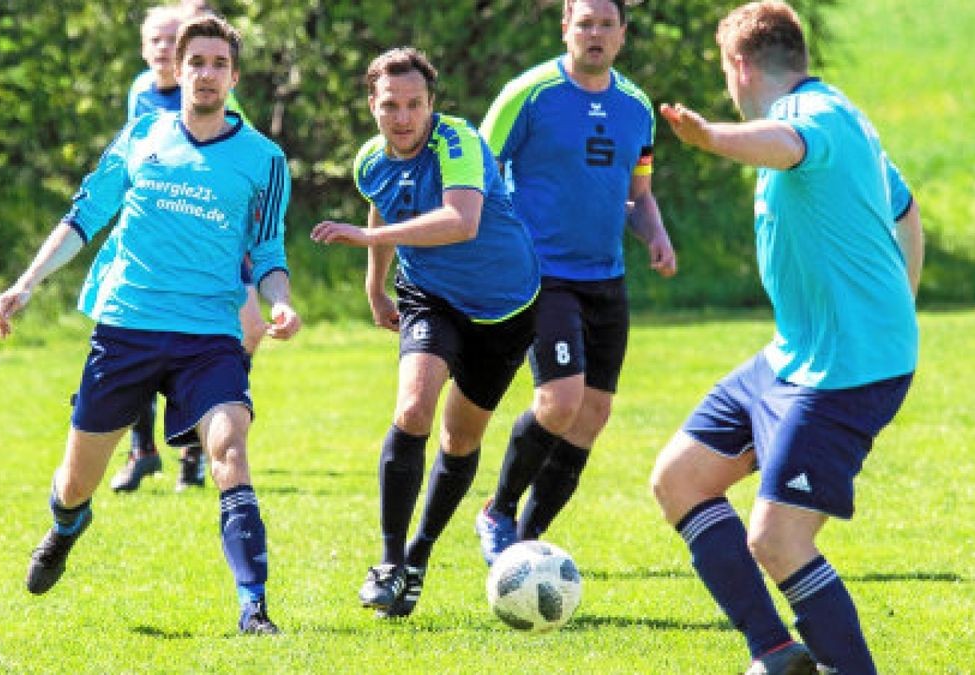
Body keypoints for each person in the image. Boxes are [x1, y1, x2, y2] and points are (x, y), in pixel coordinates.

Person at [0, 15, 299, 635]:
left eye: (218, 64)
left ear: (233, 77)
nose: (206, 74)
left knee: (229, 451)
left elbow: (267, 255)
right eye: (196, 63)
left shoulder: (264, 160)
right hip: (126, 327)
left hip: (209, 337)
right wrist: (24, 284)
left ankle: (253, 607)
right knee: (77, 482)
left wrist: (280, 300)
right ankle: (67, 525)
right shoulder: (140, 137)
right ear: (175, 71)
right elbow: (82, 219)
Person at [650, 2, 923, 673]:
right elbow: (905, 209)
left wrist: (710, 136)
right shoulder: (840, 115)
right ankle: (775, 651)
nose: (727, 85)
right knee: (680, 478)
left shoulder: (815, 118)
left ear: (741, 66)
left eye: (725, 72)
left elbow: (787, 146)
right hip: (793, 354)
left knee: (777, 538)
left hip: (845, 370)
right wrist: (899, 306)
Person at [311, 47, 540, 619]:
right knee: (413, 410)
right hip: (429, 298)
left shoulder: (456, 140)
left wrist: (363, 243)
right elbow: (382, 212)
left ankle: (417, 558)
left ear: (431, 104)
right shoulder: (370, 160)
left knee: (459, 440)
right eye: (390, 105)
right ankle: (388, 565)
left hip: (505, 309)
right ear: (372, 105)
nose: (403, 117)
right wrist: (374, 286)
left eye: (414, 104)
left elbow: (461, 222)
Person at [473, 0, 677, 565]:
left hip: (606, 279)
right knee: (559, 402)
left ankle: (525, 545)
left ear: (622, 34)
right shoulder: (529, 93)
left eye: (605, 24)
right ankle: (498, 509)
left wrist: (655, 236)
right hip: (541, 274)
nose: (594, 34)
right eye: (583, 23)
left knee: (591, 417)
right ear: (565, 28)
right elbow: (476, 176)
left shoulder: (635, 107)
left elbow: (638, 194)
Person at [110, 1, 263, 494]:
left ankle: (198, 446)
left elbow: (242, 171)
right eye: (153, 39)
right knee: (134, 335)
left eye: (169, 39)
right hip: (155, 248)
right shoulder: (140, 93)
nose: (160, 48)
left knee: (239, 335)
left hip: (215, 245)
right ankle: (143, 451)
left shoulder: (216, 98)